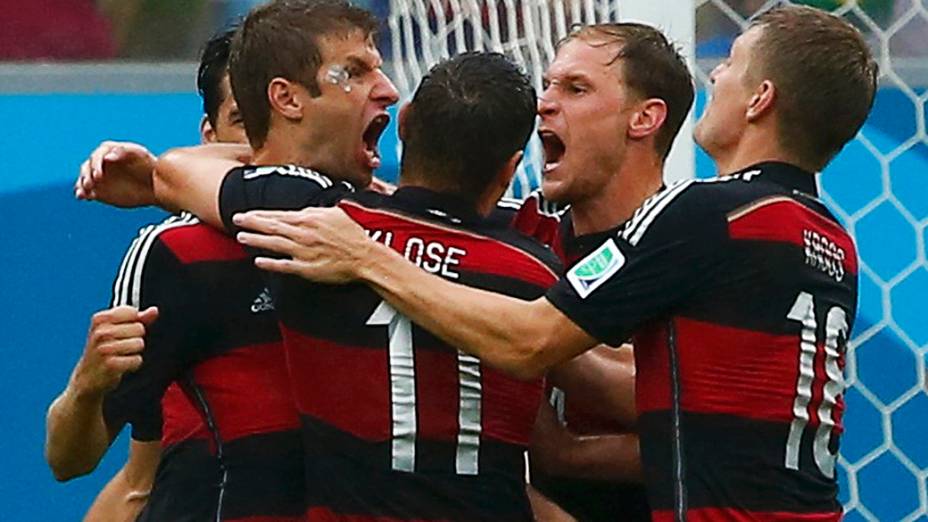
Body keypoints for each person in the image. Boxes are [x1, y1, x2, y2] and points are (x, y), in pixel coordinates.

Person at [233, 5, 877, 521]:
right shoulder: (831, 241)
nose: (715, 76)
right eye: (547, 85)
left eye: (730, 64)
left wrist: (369, 257)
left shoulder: (702, 215)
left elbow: (532, 340)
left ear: (760, 99)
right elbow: (714, 406)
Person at [46, 26, 305, 522]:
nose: (264, 142)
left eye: (279, 118)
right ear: (209, 138)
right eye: (242, 121)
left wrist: (162, 179)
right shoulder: (178, 258)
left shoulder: (369, 229)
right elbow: (129, 478)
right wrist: (87, 382)